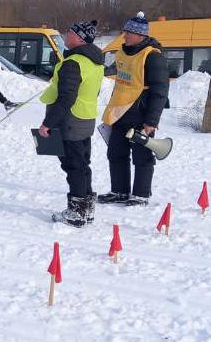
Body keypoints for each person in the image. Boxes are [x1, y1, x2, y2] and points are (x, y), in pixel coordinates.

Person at [98, 12, 169, 207]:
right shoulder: (122, 52)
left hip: (141, 115)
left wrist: (151, 121)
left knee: (142, 156)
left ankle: (140, 195)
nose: (125, 35)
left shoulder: (153, 57)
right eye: (125, 31)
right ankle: (119, 191)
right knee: (115, 153)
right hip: (119, 112)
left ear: (141, 35)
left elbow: (160, 91)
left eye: (129, 32)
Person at [38, 20, 104, 227]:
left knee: (73, 166)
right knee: (83, 164)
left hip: (70, 121)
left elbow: (66, 97)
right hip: (86, 118)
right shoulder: (94, 61)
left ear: (79, 38)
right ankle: (87, 208)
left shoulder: (73, 62)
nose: (66, 35)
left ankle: (76, 213)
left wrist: (48, 123)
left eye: (70, 32)